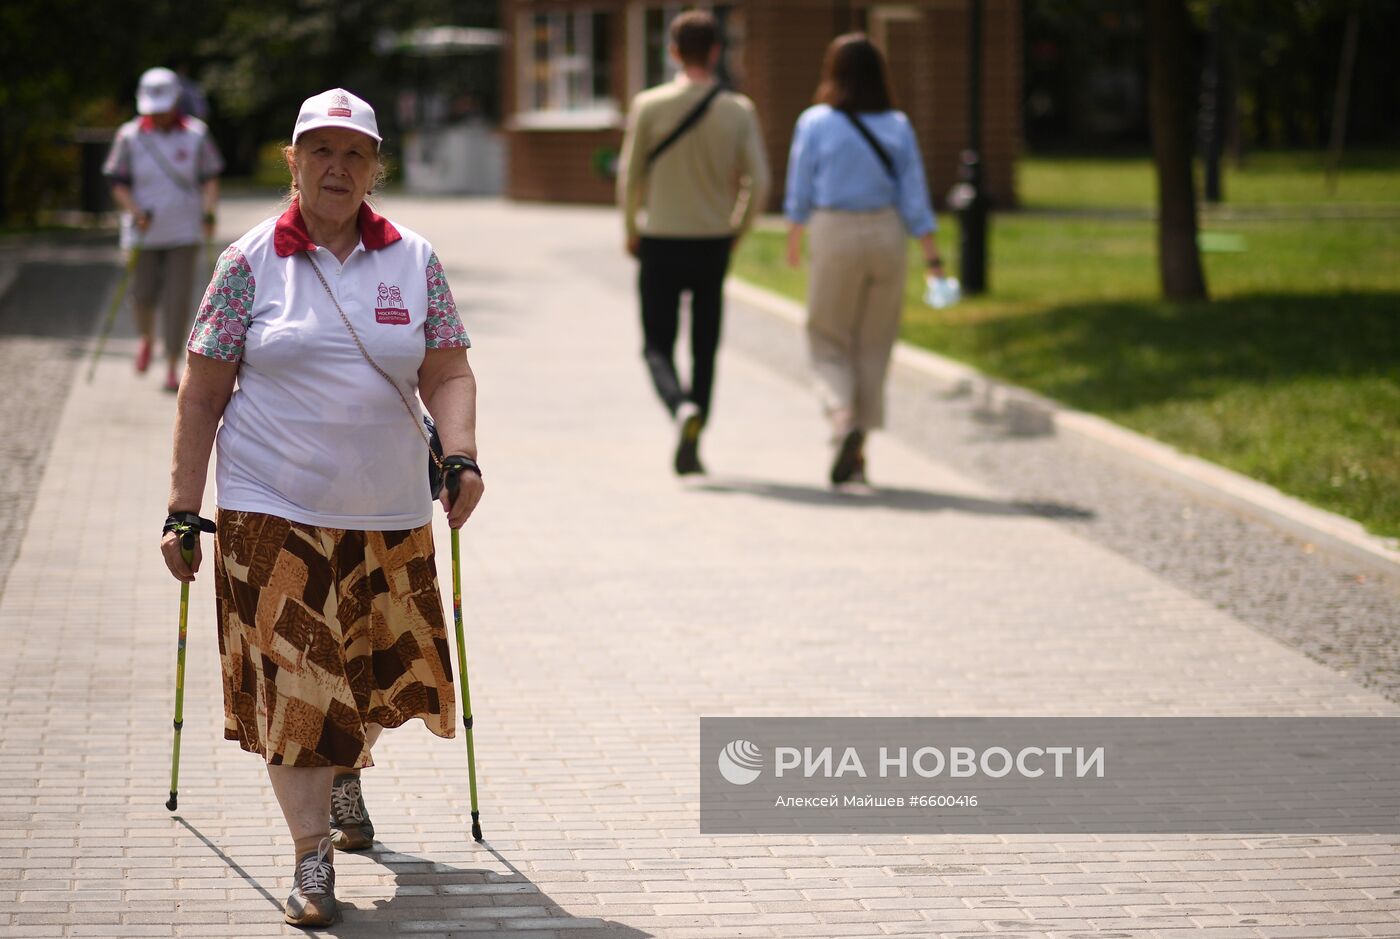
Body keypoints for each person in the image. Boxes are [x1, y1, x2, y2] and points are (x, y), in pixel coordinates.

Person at [159, 88, 485, 928]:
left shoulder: (414, 259)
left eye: (355, 154)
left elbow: (446, 370)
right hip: (273, 507)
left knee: (368, 681)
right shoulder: (248, 263)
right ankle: (311, 858)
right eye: (321, 152)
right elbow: (200, 396)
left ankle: (349, 771)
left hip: (385, 511)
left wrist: (462, 456)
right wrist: (183, 508)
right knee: (303, 688)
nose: (337, 168)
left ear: (376, 168)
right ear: (293, 162)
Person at [783, 34, 943, 486]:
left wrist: (794, 236)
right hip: (888, 234)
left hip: (835, 232)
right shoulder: (897, 124)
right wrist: (933, 259)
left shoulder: (815, 122)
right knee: (874, 343)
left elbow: (800, 187)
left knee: (828, 338)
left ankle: (841, 418)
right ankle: (859, 450)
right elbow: (914, 195)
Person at [617, 10, 770, 475]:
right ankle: (696, 435)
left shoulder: (649, 104)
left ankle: (680, 408)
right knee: (705, 344)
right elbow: (758, 182)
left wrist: (631, 228)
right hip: (712, 242)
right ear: (718, 52)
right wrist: (736, 230)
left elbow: (630, 175)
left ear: (673, 51)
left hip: (660, 239)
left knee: (657, 345)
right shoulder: (738, 110)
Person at [104, 66, 223, 391]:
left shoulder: (196, 134)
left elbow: (210, 175)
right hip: (143, 232)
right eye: (152, 110)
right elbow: (117, 182)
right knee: (142, 295)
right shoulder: (129, 135)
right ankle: (145, 337)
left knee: (178, 299)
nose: (157, 116)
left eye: (163, 109)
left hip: (184, 231)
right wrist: (134, 211)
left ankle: (172, 365)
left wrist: (208, 212)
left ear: (176, 104)